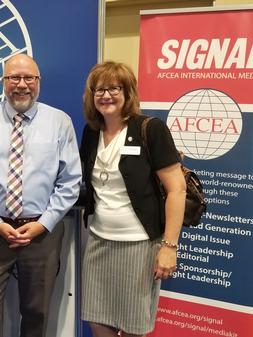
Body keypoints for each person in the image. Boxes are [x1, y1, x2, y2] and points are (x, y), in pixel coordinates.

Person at [0, 54, 82, 337]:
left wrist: (44, 223)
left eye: (29, 78)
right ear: (3, 81)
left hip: (42, 233)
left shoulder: (59, 122)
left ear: (39, 82)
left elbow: (70, 181)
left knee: (37, 311)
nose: (22, 85)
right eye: (14, 78)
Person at [79, 61, 186, 337]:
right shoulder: (91, 133)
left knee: (134, 326)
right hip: (99, 241)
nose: (106, 95)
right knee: (97, 319)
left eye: (114, 88)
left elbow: (177, 190)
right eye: (99, 89)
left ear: (128, 93)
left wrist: (169, 247)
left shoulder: (150, 129)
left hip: (139, 245)